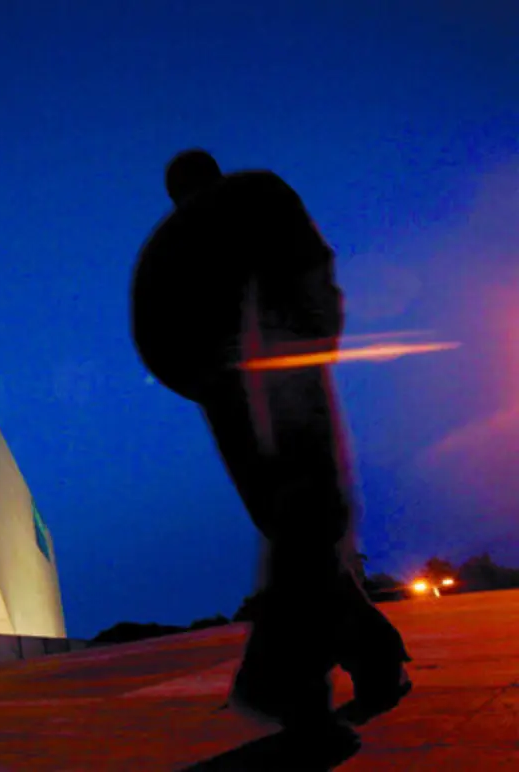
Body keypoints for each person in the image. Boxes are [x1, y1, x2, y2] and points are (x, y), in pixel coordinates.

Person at [131, 150, 412, 746]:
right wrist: (316, 344)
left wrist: (210, 382)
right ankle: (327, 671)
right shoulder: (247, 198)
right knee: (308, 525)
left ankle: (302, 680)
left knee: (298, 526)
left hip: (241, 388)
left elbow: (156, 335)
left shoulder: (177, 239)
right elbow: (313, 265)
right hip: (272, 377)